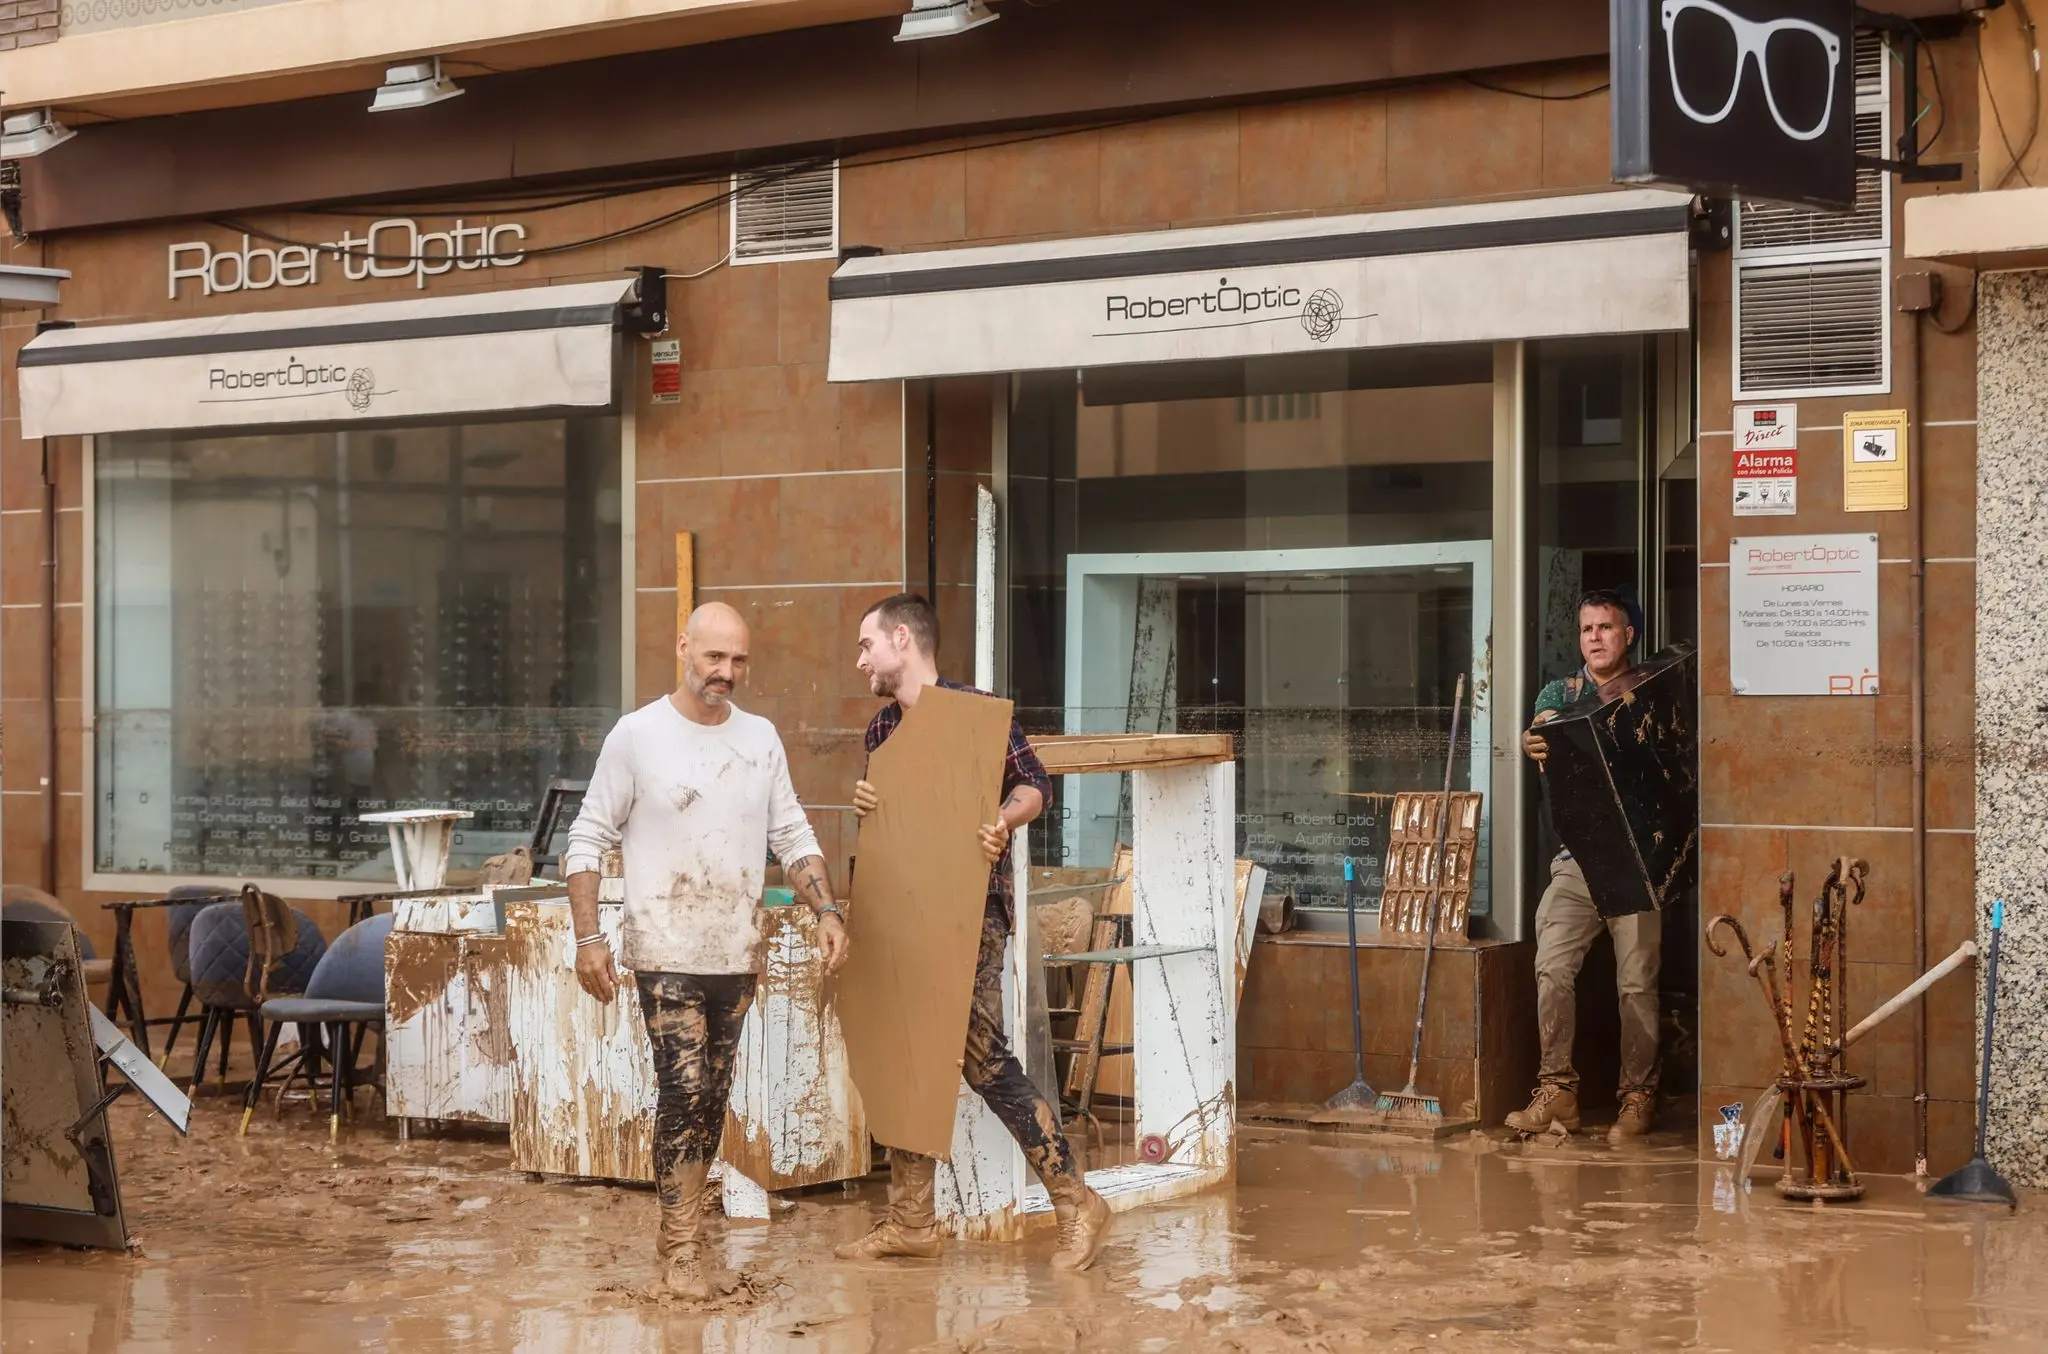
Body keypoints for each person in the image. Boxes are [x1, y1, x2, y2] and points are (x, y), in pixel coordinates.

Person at [562, 602, 850, 1301]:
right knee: (682, 1090)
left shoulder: (761, 739)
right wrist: (588, 938)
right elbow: (587, 838)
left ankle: (683, 1225)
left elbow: (794, 834)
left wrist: (827, 909)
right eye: (715, 658)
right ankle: (683, 1241)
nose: (727, 673)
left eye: (739, 661)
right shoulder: (637, 737)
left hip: (736, 952)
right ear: (684, 647)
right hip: (663, 949)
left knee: (712, 1096)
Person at [833, 592, 1112, 1272]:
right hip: (901, 914)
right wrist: (869, 801)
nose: (860, 658)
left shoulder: (974, 716)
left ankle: (1078, 1202)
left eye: (868, 644)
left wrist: (1005, 820)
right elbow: (895, 827)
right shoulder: (879, 733)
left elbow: (1035, 784)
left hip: (968, 912)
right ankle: (910, 1220)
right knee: (907, 1050)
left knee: (982, 1059)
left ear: (903, 639)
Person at [1506, 587, 1661, 1144]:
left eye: (1606, 628)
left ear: (1628, 635)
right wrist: (1532, 738)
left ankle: (1638, 1096)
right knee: (1551, 968)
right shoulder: (1561, 690)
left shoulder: (1652, 691)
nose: (1595, 638)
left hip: (1641, 862)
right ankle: (1558, 1093)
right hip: (1578, 861)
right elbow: (1543, 726)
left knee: (1636, 984)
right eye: (1587, 629)